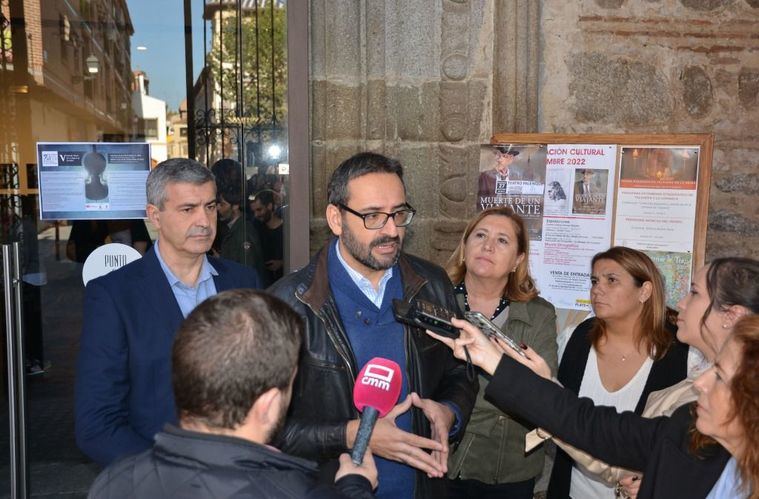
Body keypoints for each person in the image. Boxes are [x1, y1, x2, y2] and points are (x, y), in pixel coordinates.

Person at [269, 152, 477, 499]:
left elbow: (461, 373)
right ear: (336, 219)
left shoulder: (432, 283)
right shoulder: (289, 304)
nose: (392, 230)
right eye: (373, 217)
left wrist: (449, 412)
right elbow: (271, 431)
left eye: (398, 214)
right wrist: (351, 435)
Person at [428, 293, 759, 499]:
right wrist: (491, 359)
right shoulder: (683, 432)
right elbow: (588, 424)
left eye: (720, 377)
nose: (700, 383)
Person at [88, 289, 377, 498]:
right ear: (268, 404)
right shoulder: (296, 492)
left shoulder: (113, 482)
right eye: (290, 384)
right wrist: (355, 487)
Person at [75, 158, 262, 466]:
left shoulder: (243, 281)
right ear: (155, 216)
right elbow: (97, 423)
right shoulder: (114, 295)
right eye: (188, 209)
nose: (204, 220)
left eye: (211, 207)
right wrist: (169, 475)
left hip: (240, 473)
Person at [536, 257, 759, 498]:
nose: (681, 303)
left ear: (731, 315)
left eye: (694, 293)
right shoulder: (576, 337)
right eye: (594, 280)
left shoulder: (685, 364)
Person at [549, 247, 688, 498]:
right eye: (594, 281)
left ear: (644, 291)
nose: (597, 289)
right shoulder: (574, 339)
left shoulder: (681, 354)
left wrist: (659, 474)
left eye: (611, 280)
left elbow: (685, 440)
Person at [443, 206, 558, 498]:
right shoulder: (437, 301)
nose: (488, 245)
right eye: (480, 235)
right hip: (445, 456)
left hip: (512, 467)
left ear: (517, 260)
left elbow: (543, 389)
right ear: (465, 247)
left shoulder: (539, 313)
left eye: (502, 240)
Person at [250, 189, 284, 283]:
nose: (256, 215)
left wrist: (282, 263)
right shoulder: (256, 228)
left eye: (259, 210)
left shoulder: (285, 230)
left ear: (269, 206)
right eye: (254, 211)